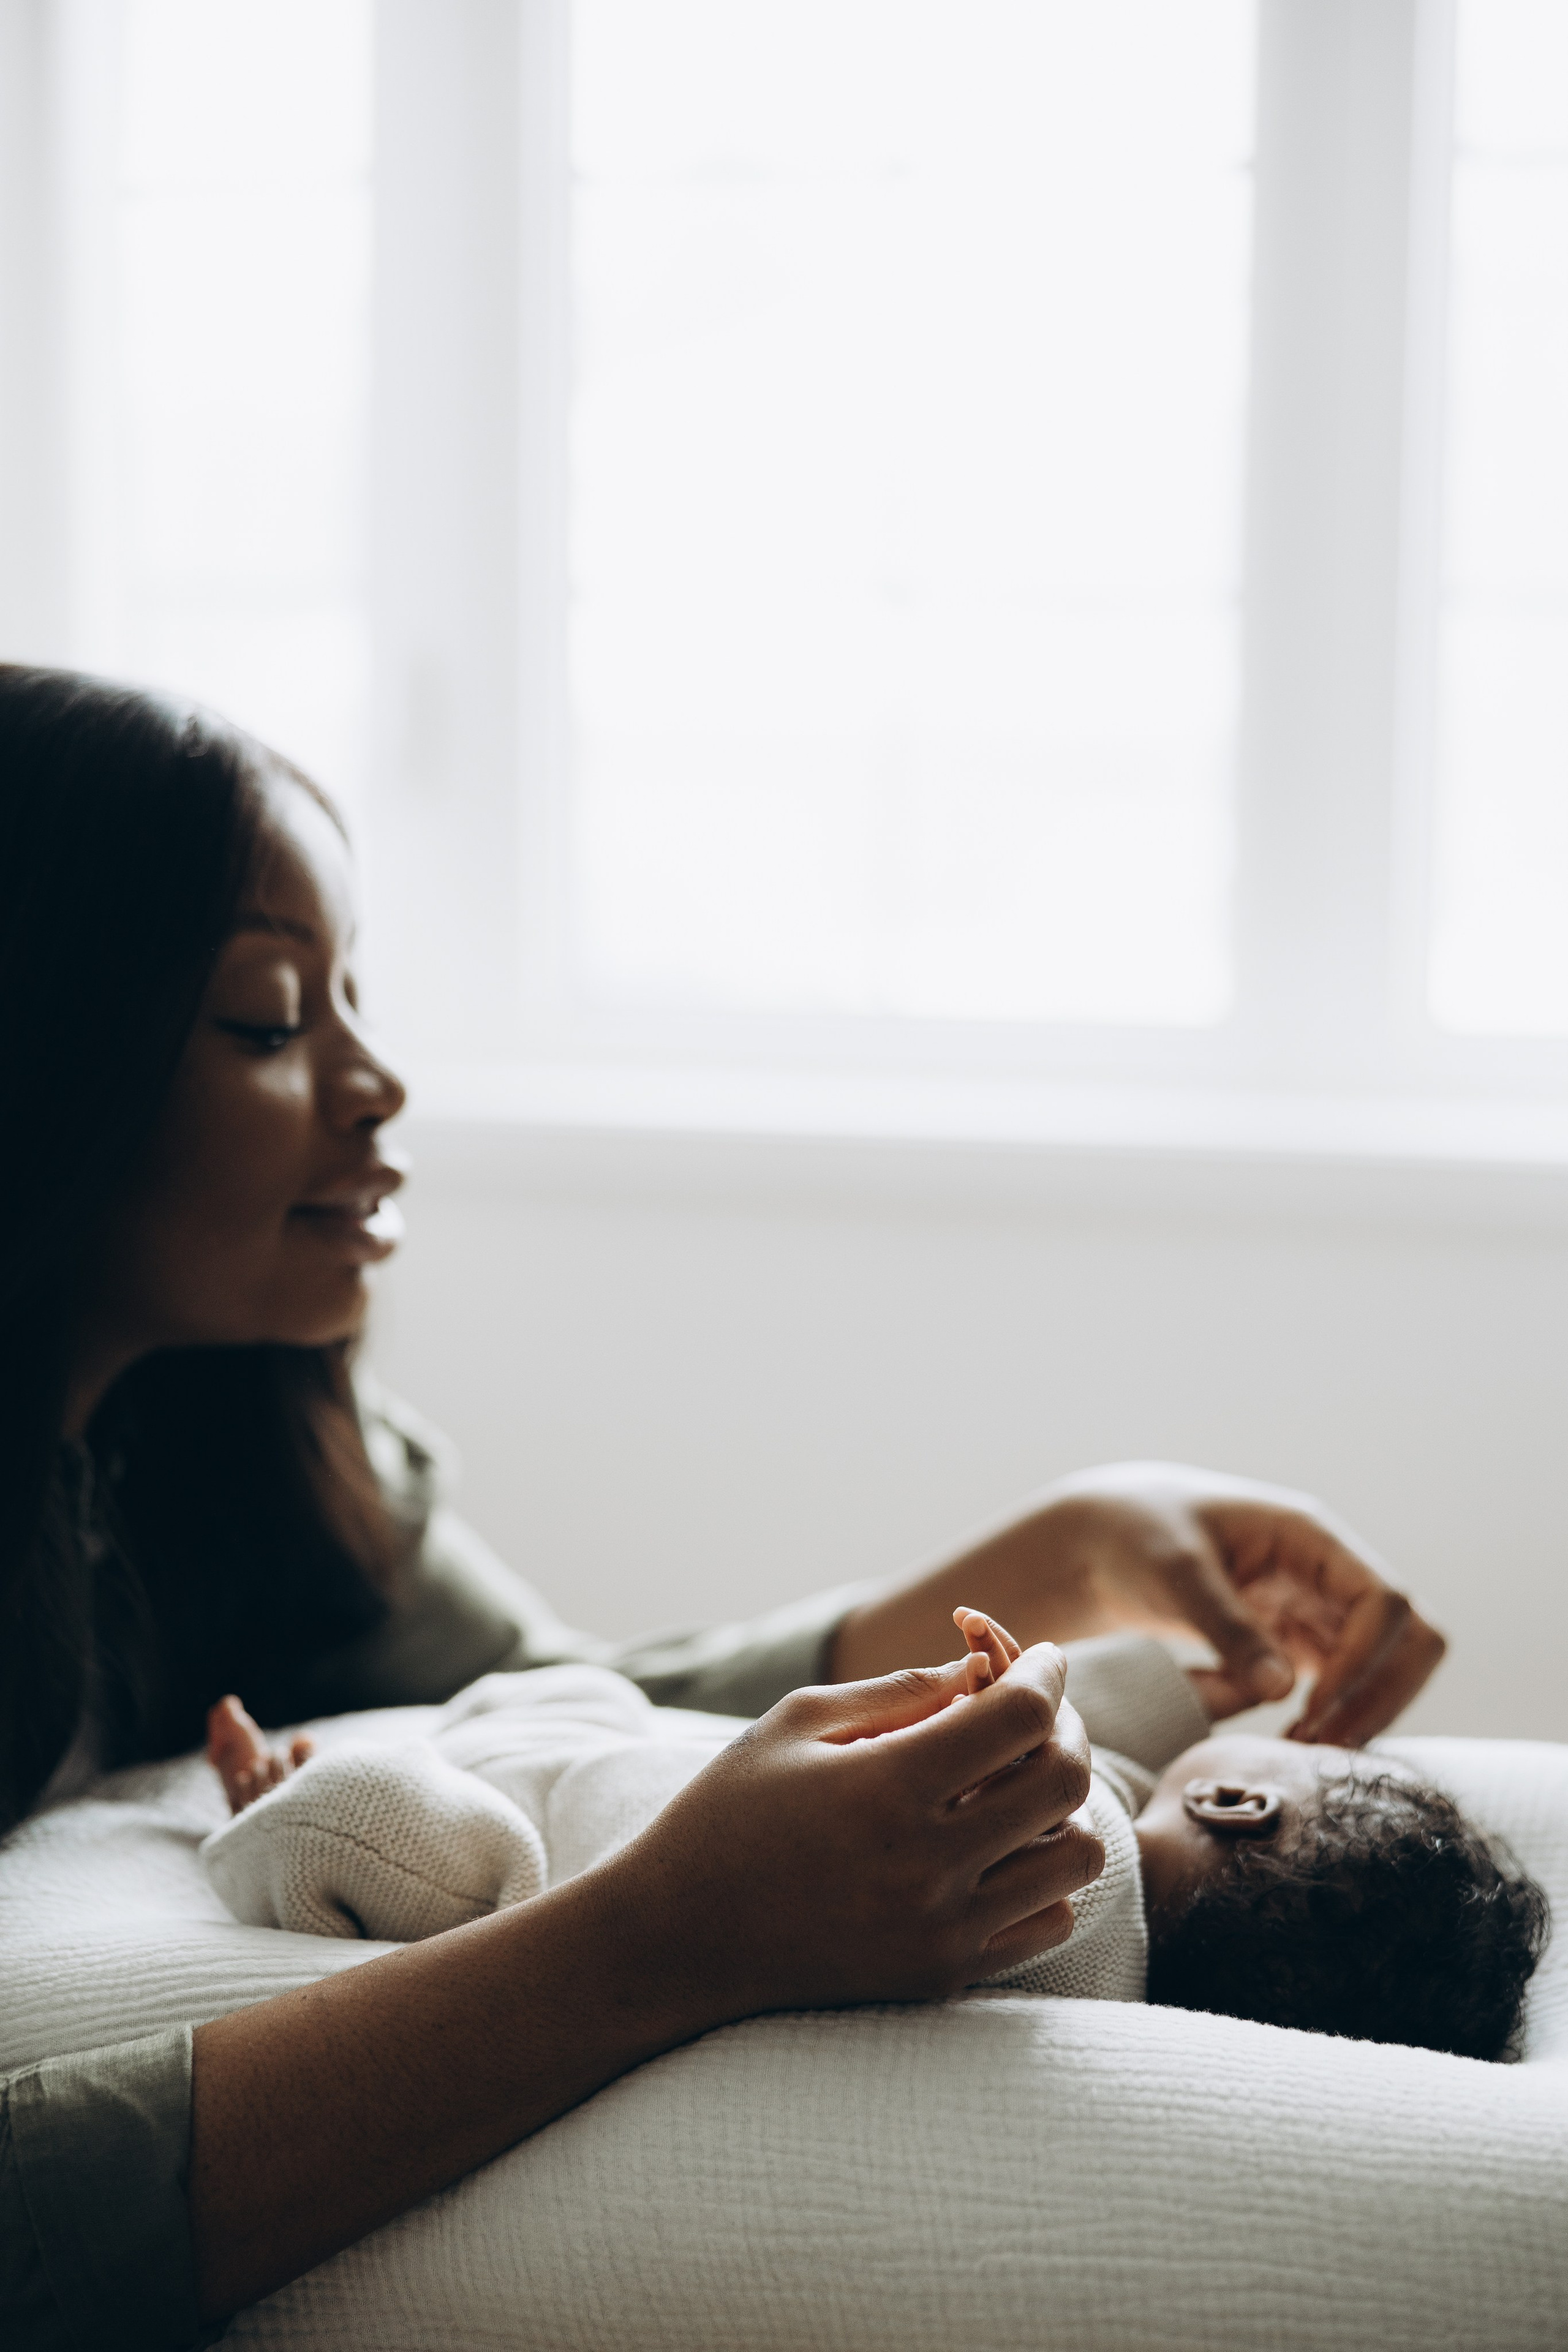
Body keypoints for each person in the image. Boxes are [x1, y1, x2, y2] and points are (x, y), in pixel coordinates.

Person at [0, 666, 1447, 2351]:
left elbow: (571, 1716)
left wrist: (1057, 1551)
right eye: (266, 1019)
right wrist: (656, 1949)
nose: (378, 1084)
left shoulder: (216, 1445)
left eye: (355, 1000)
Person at [201, 1609, 1546, 2063]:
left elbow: (1086, 1716)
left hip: (523, 1856)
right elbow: (1137, 1715)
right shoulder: (1143, 1960)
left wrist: (992, 1703)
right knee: (568, 1713)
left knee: (376, 1823)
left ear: (1240, 1800)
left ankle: (275, 1815)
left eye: (1303, 1756)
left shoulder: (1069, 1866)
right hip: (583, 1761)